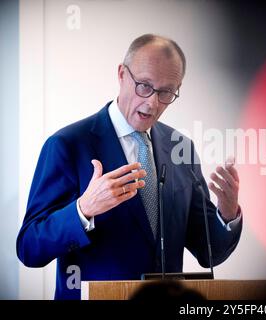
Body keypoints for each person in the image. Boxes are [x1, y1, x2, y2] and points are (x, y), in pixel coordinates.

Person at [16, 34, 242, 300]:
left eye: (166, 92)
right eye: (144, 86)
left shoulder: (181, 148)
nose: (153, 103)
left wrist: (227, 213)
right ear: (122, 74)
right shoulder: (67, 145)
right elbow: (29, 248)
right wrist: (82, 210)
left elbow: (209, 253)